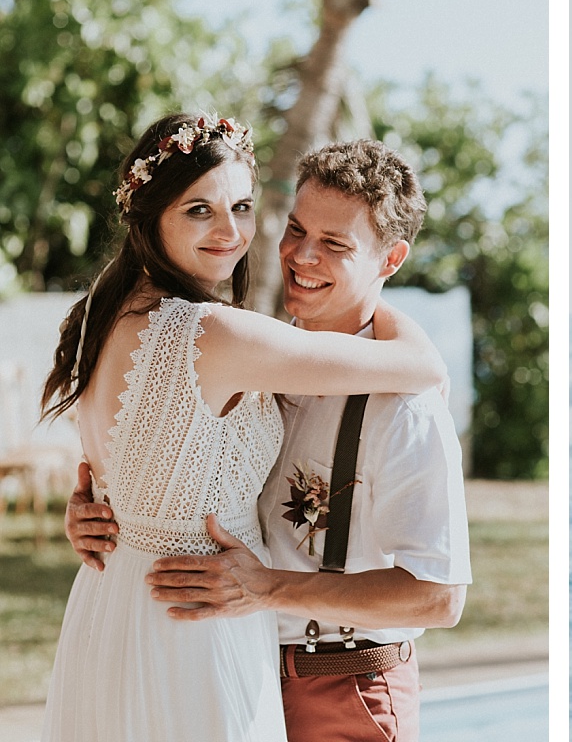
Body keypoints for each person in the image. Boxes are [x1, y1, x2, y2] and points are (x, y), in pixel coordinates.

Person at [39, 115, 448, 742]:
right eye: (199, 210)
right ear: (151, 216)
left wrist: (101, 507)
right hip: (194, 622)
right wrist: (369, 278)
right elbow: (421, 365)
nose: (230, 233)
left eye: (241, 206)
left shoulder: (105, 309)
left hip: (112, 604)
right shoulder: (217, 333)